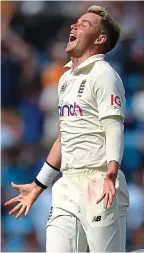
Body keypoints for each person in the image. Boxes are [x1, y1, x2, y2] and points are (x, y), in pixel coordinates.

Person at [5, 5, 130, 252]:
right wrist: (39, 185)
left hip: (99, 181)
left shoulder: (104, 74)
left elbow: (113, 126)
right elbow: (64, 139)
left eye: (85, 24)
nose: (74, 26)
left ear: (100, 39)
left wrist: (111, 173)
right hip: (66, 186)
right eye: (76, 22)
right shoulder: (65, 80)